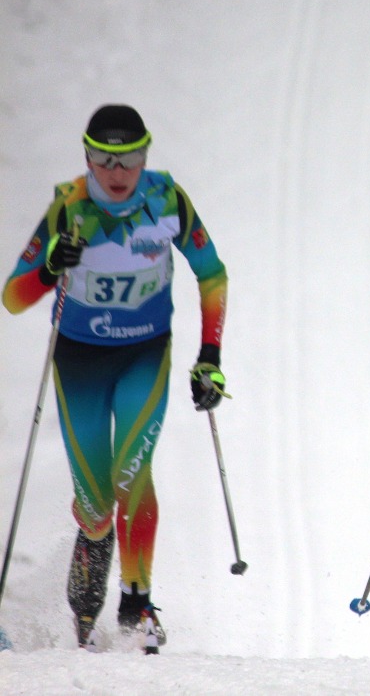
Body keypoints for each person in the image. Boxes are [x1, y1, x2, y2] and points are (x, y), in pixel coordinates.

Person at [3, 104, 229, 652]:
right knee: (97, 507)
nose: (117, 170)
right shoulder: (68, 208)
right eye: (104, 158)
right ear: (87, 158)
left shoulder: (167, 202)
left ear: (145, 156)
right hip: (79, 364)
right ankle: (91, 562)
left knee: (133, 472)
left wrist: (210, 355)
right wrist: (53, 263)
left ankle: (137, 601)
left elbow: (213, 274)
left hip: (143, 359)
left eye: (129, 157)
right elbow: (14, 297)